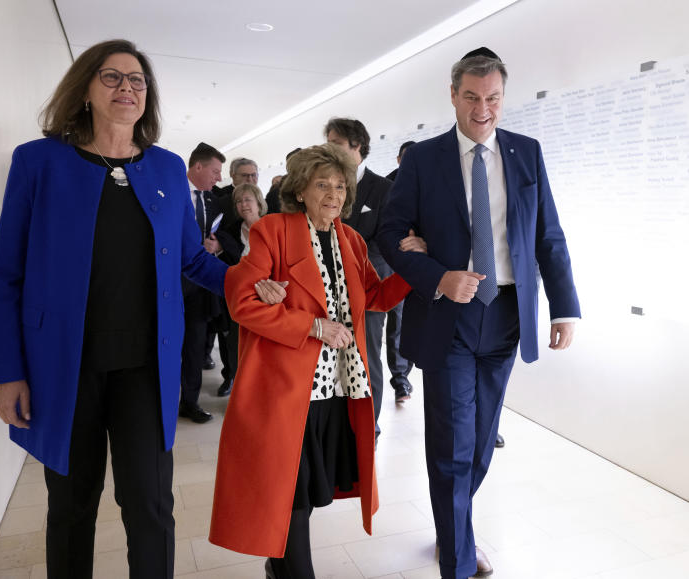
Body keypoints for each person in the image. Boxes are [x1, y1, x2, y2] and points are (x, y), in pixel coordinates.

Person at [0, 39, 228, 578]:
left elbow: (193, 260)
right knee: (71, 507)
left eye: (137, 80)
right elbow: (6, 274)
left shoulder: (165, 169)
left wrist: (250, 284)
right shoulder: (38, 161)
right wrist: (8, 371)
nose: (127, 88)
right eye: (112, 77)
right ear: (86, 90)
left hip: (145, 369)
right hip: (64, 369)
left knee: (151, 507)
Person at [377, 47, 581, 579]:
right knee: (451, 441)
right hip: (449, 316)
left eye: (492, 97)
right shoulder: (423, 158)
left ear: (502, 98)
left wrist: (565, 307)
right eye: (471, 96)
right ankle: (459, 561)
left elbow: (548, 235)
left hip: (508, 315)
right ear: (453, 95)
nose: (482, 108)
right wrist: (438, 275)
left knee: (481, 442)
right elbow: (390, 232)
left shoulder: (526, 153)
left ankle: (453, 533)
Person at [209, 144, 422, 578]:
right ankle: (289, 570)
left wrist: (411, 268)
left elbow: (374, 298)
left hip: (337, 386)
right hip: (287, 386)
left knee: (305, 488)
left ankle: (278, 564)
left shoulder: (352, 240)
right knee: (292, 493)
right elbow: (242, 302)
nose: (333, 193)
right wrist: (312, 326)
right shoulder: (275, 230)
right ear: (300, 191)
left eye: (340, 185)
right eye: (322, 184)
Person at [325, 118, 414, 440]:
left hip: (367, 288)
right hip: (324, 290)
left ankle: (369, 423)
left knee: (365, 356)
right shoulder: (324, 183)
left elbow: (386, 243)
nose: (328, 147)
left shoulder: (384, 189)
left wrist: (351, 272)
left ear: (356, 146)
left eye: (335, 142)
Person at [179, 142, 227, 423]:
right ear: (197, 167)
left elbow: (220, 233)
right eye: (215, 171)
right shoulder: (171, 194)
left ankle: (190, 402)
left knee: (195, 346)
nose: (219, 178)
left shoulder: (211, 200)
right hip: (169, 285)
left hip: (199, 289)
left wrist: (217, 245)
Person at [208, 157, 261, 396]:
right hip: (238, 301)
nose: (243, 204)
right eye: (239, 201)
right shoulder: (229, 231)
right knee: (235, 347)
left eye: (248, 200)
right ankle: (236, 386)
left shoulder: (274, 227)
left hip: (268, 303)